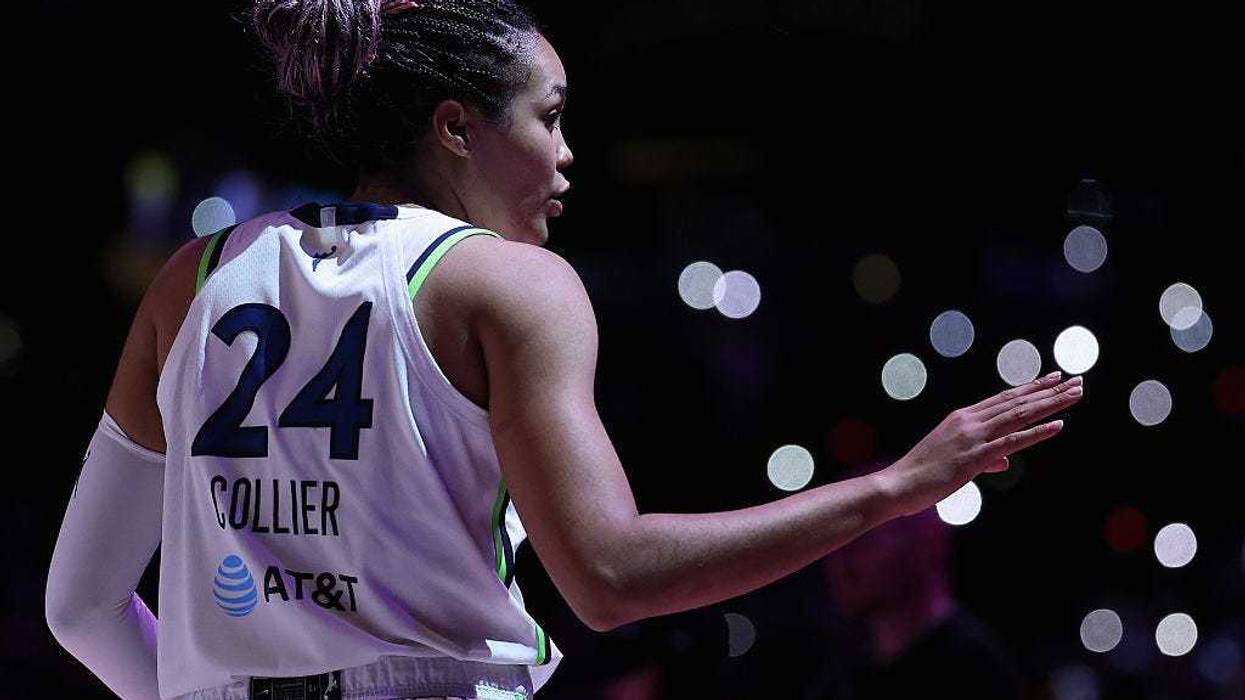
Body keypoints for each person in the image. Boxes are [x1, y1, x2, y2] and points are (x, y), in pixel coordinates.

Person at [43, 1, 1086, 698]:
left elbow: (81, 608)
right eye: (549, 118)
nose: (568, 154)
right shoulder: (507, 283)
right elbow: (608, 576)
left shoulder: (192, 279)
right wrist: (894, 488)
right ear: (456, 128)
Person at [820, 459, 1022, 699]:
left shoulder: (974, 668)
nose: (841, 560)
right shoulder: (842, 668)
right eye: (837, 544)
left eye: (865, 540)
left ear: (924, 543)